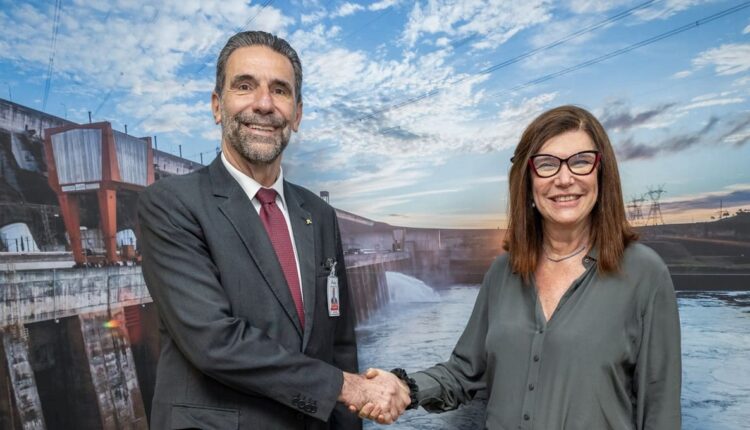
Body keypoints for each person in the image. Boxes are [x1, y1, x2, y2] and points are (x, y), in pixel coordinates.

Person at [139, 31, 409, 430]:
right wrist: (348, 388)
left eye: (280, 91)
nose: (264, 104)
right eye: (245, 86)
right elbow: (215, 342)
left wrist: (351, 413)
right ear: (218, 106)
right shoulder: (171, 204)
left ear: (296, 115)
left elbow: (338, 341)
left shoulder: (318, 213)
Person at [360, 105, 682, 429]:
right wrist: (404, 388)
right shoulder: (503, 273)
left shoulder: (644, 274)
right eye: (546, 164)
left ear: (601, 172)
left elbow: (661, 411)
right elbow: (464, 373)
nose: (565, 178)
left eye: (581, 161)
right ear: (528, 181)